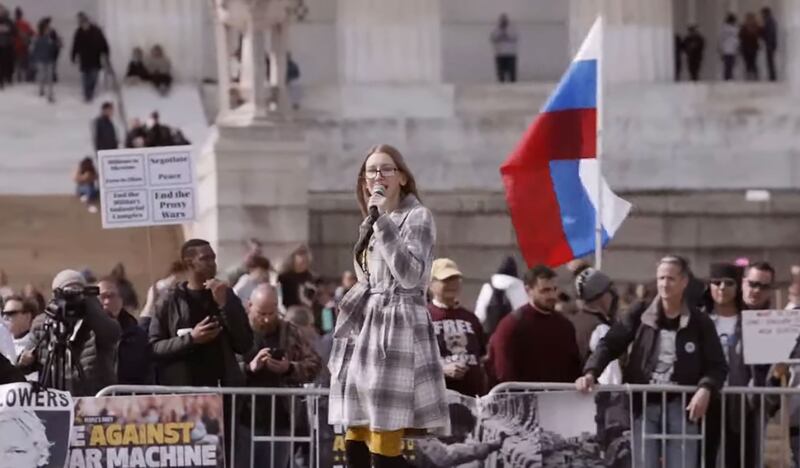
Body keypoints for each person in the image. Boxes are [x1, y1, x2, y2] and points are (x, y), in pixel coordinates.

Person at [328, 144, 449, 468]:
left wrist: (382, 223)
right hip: (365, 327)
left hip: (397, 325)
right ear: (365, 182)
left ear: (403, 178)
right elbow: (367, 277)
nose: (377, 176)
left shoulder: (417, 216)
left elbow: (410, 275)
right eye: (371, 171)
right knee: (355, 432)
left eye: (386, 169)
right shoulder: (370, 221)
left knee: (384, 434)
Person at [577, 256, 728, 468]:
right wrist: (591, 371)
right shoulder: (640, 312)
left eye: (671, 279)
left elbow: (717, 365)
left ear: (684, 281)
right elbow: (611, 343)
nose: (665, 284)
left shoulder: (700, 321)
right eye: (661, 278)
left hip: (682, 407)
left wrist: (705, 389)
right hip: (643, 406)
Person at [149, 238, 252, 387]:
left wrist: (225, 306)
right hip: (184, 390)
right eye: (205, 258)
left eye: (213, 258)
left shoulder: (226, 294)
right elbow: (154, 347)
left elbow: (244, 344)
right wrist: (192, 339)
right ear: (189, 263)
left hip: (223, 388)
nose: (212, 263)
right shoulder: (171, 300)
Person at [239, 284, 322, 468]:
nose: (267, 319)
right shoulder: (239, 331)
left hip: (281, 418)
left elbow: (315, 365)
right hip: (243, 417)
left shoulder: (290, 331)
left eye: (271, 312)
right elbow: (224, 367)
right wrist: (250, 367)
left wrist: (289, 368)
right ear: (249, 305)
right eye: (261, 313)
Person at [702, 262, 765, 468]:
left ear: (737, 287)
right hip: (705, 399)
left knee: (738, 457)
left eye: (728, 283)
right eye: (716, 282)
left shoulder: (750, 320)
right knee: (704, 456)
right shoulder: (699, 320)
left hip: (740, 403)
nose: (721, 287)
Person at [22, 269, 122, 396]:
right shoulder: (41, 324)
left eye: (77, 293)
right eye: (67, 293)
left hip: (89, 402)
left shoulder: (97, 321)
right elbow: (24, 364)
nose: (71, 300)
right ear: (56, 296)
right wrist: (24, 360)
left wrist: (92, 305)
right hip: (53, 400)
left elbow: (112, 334)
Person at [487, 265, 581, 384]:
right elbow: (504, 373)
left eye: (554, 289)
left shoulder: (565, 326)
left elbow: (574, 368)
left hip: (560, 398)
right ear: (528, 290)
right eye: (545, 290)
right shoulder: (511, 325)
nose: (552, 295)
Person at [427, 258, 488, 397]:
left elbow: (483, 356)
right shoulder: (423, 317)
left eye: (455, 279)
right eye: (446, 280)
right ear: (431, 284)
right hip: (439, 398)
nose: (452, 285)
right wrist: (442, 370)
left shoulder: (470, 318)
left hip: (472, 397)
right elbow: (414, 360)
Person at [98, 277, 152, 385]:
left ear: (121, 300)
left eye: (112, 296)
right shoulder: (84, 334)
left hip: (129, 398)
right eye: (102, 297)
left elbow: (147, 373)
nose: (107, 302)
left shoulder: (137, 335)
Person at [571, 268, 618, 364]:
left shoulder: (571, 322)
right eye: (611, 292)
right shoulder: (601, 329)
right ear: (603, 295)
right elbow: (611, 377)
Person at [474, 256, 527, 338]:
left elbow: (479, 315)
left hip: (493, 335)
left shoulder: (489, 286)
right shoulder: (521, 287)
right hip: (515, 335)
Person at [71, 12, 109, 102]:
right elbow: (75, 45)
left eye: (85, 23)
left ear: (88, 22)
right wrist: (73, 56)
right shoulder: (78, 32)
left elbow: (103, 43)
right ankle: (87, 95)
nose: (84, 25)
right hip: (84, 58)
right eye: (82, 24)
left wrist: (106, 53)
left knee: (93, 77)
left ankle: (90, 92)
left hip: (95, 58)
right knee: (85, 77)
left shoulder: (96, 31)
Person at [278, 244, 318, 310]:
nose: (304, 257)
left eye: (305, 253)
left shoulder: (313, 278)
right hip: (290, 313)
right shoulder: (284, 278)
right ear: (292, 257)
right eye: (300, 254)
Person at [30, 18, 58, 103]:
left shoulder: (50, 39)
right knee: (42, 76)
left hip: (49, 60)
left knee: (49, 77)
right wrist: (33, 59)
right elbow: (34, 49)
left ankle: (50, 93)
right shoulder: (37, 38)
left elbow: (54, 49)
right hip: (41, 60)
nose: (48, 30)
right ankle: (41, 90)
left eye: (48, 29)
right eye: (46, 29)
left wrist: (55, 46)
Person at [490, 13, 518, 83]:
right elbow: (493, 37)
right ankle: (501, 85)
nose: (503, 21)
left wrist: (506, 33)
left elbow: (514, 37)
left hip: (510, 54)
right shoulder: (496, 29)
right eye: (502, 20)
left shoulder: (512, 28)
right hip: (500, 53)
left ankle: (513, 86)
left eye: (505, 20)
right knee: (501, 73)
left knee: (512, 73)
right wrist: (501, 33)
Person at [12, 7, 32, 83]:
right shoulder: (25, 24)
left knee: (16, 63)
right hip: (24, 47)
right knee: (25, 63)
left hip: (14, 47)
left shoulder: (13, 24)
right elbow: (32, 33)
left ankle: (18, 77)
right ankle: (26, 78)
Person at [739, 12, 761, 81]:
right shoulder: (745, 27)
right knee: (749, 62)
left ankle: (753, 75)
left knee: (752, 62)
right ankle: (751, 75)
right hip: (747, 47)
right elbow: (740, 36)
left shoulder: (753, 27)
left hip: (751, 47)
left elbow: (740, 36)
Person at [719, 13, 739, 81]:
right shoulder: (734, 29)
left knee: (728, 65)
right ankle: (729, 77)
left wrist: (720, 49)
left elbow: (721, 39)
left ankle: (727, 77)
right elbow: (736, 40)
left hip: (727, 49)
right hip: (731, 49)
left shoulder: (724, 28)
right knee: (730, 65)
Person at [761, 7, 778, 82]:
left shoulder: (769, 21)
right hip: (770, 43)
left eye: (763, 13)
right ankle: (772, 76)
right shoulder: (770, 20)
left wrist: (769, 43)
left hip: (770, 44)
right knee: (770, 61)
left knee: (770, 61)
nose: (762, 15)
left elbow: (770, 33)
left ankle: (772, 76)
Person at [0, 4, 14, 88]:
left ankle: (3, 79)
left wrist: (7, 30)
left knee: (4, 62)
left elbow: (14, 31)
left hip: (6, 46)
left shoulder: (8, 21)